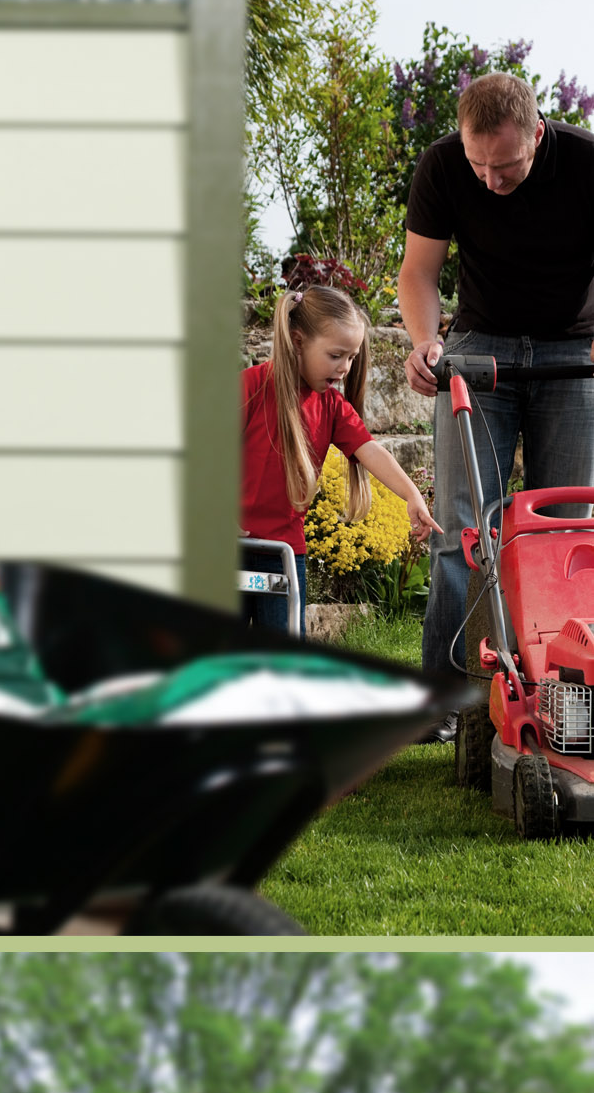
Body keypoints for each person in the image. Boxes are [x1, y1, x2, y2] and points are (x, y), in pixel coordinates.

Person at [397, 68, 594, 679]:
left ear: (537, 133)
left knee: (563, 528)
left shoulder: (587, 162)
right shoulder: (442, 166)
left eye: (506, 164)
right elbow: (419, 272)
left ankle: (559, 682)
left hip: (574, 352)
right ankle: (446, 695)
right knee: (461, 525)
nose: (491, 179)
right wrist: (427, 343)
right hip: (479, 350)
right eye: (479, 164)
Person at [242, 267, 439, 634]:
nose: (345, 368)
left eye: (350, 358)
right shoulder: (252, 387)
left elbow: (371, 451)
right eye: (336, 355)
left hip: (284, 552)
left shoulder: (331, 407)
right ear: (298, 341)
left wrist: (412, 495)